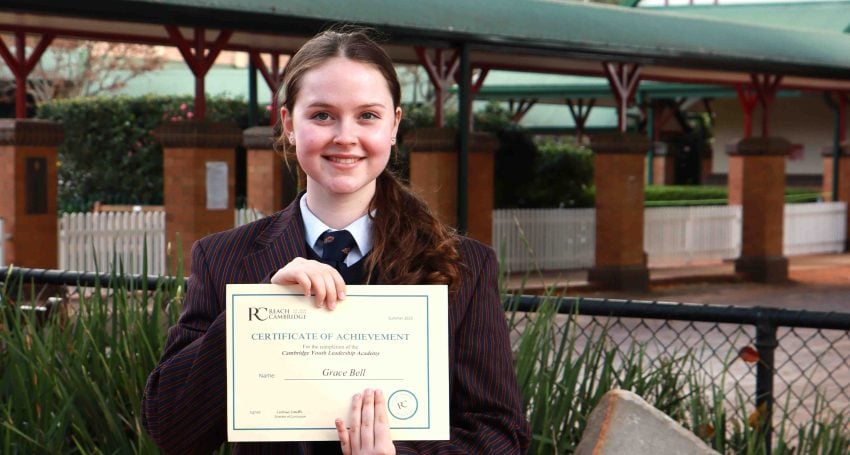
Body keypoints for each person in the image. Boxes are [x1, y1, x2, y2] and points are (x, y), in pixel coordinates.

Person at [142, 27, 530, 454]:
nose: (346, 136)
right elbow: (171, 429)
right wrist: (257, 314)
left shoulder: (464, 265)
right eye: (322, 115)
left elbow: (501, 434)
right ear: (289, 124)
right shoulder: (224, 258)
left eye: (367, 115)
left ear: (394, 125)